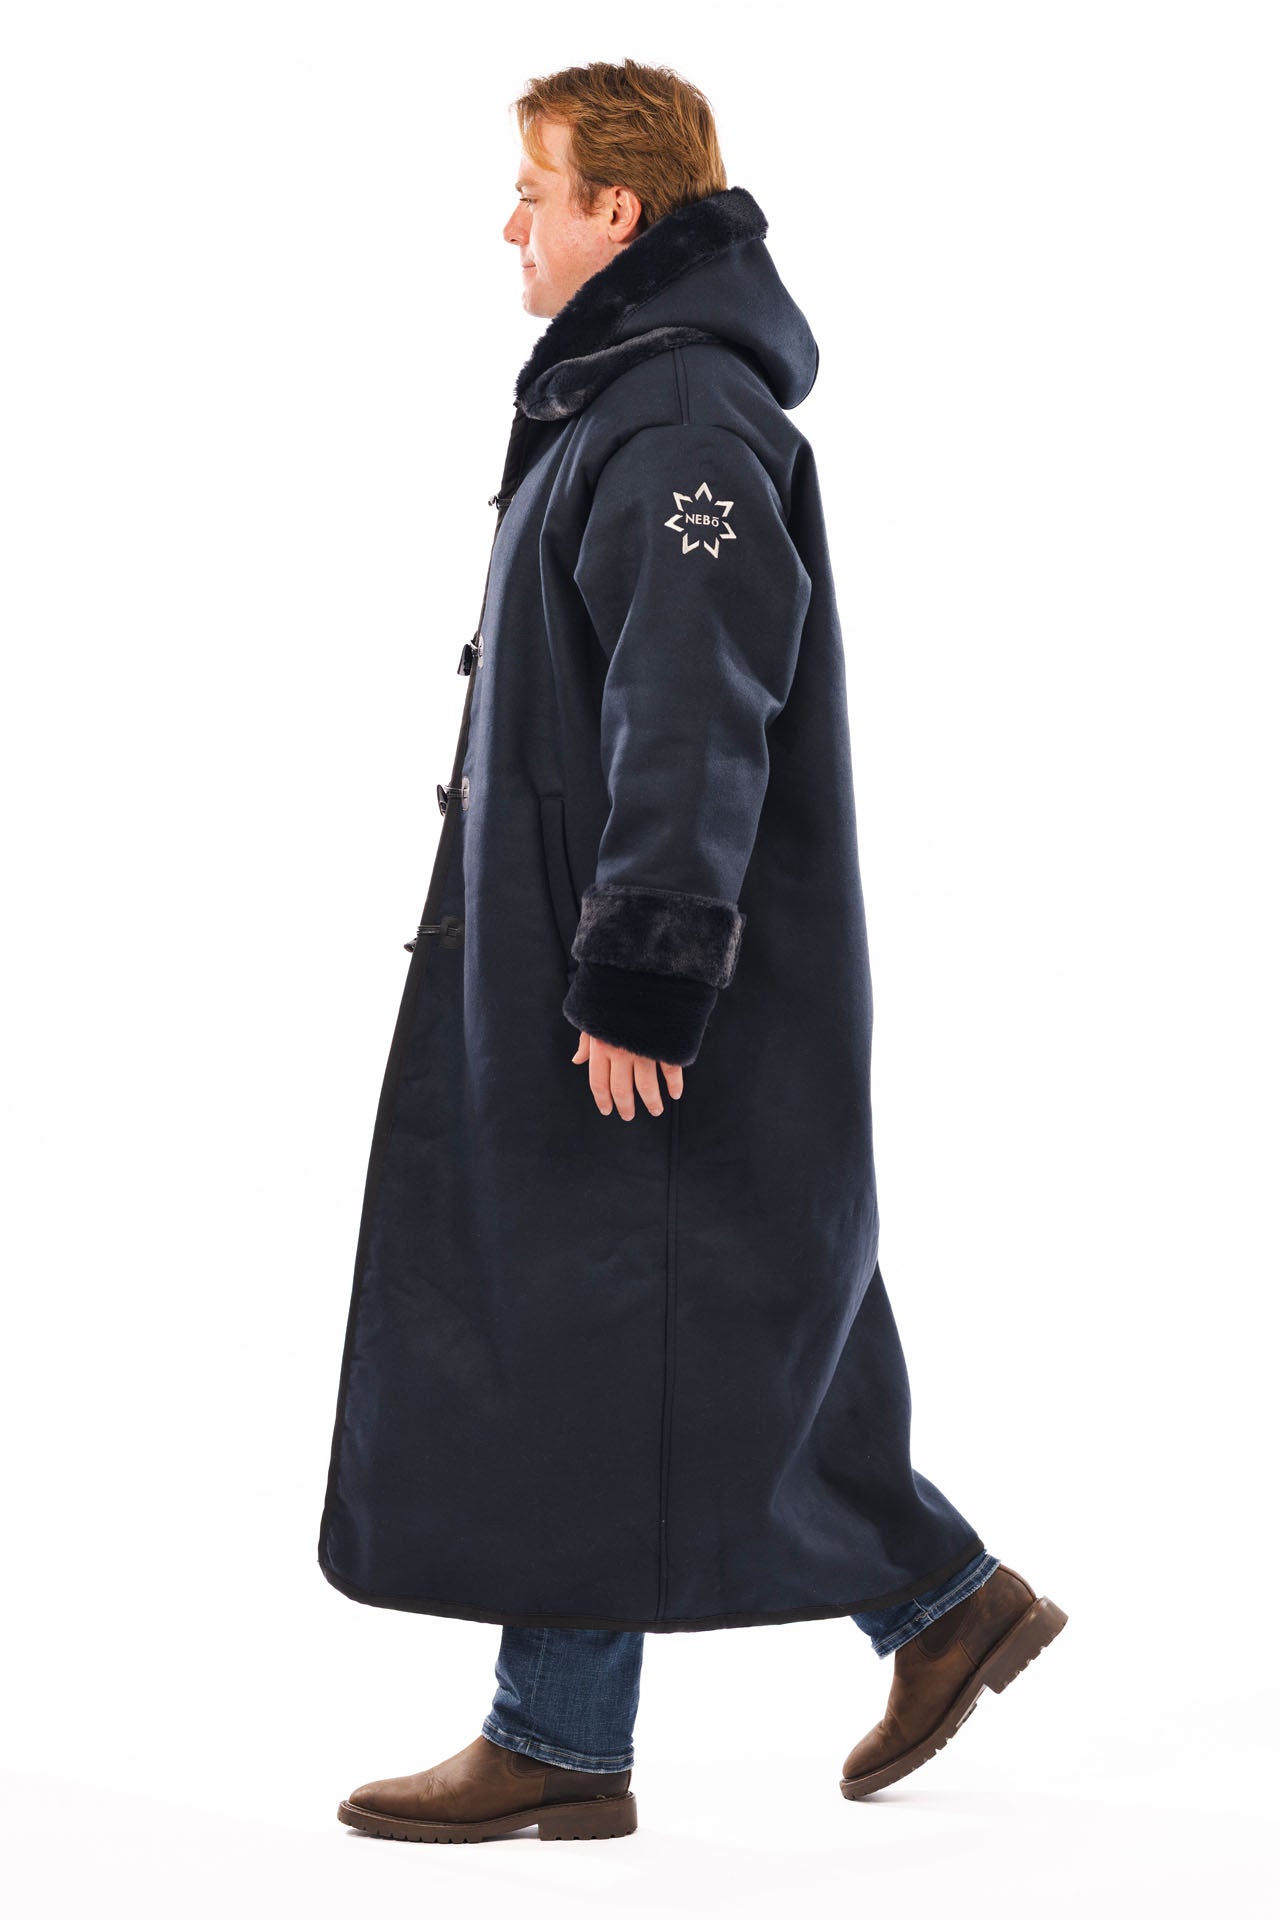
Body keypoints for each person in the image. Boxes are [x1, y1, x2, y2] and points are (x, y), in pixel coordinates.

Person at [321, 59, 1067, 1845]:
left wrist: (644, 975)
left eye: (534, 188)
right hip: (590, 954)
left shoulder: (674, 426)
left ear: (618, 211)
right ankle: (911, 1614)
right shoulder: (631, 400)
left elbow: (691, 710)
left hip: (648, 979)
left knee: (623, 1319)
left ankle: (590, 1725)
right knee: (663, 1315)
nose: (509, 221)